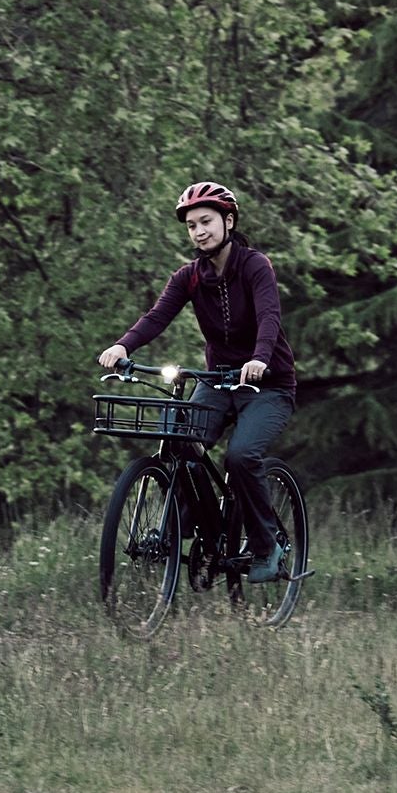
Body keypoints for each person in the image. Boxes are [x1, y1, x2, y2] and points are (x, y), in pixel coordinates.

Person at [96, 181, 299, 583]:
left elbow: (270, 316)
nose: (199, 231)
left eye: (206, 221)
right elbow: (156, 317)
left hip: (268, 384)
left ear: (228, 220)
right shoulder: (189, 277)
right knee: (179, 440)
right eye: (191, 225)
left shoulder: (255, 265)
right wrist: (123, 346)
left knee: (241, 457)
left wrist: (259, 358)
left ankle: (266, 544)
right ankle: (192, 527)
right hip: (217, 380)